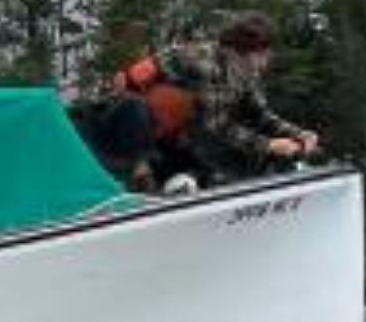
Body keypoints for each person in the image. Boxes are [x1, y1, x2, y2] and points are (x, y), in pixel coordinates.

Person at [80, 12, 320, 189]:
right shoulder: (205, 64)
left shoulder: (247, 74)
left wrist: (297, 134)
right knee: (201, 131)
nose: (267, 59)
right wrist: (268, 145)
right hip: (129, 123)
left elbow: (260, 114)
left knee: (230, 131)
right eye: (262, 53)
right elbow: (215, 125)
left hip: (175, 131)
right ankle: (142, 174)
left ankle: (219, 177)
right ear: (237, 52)